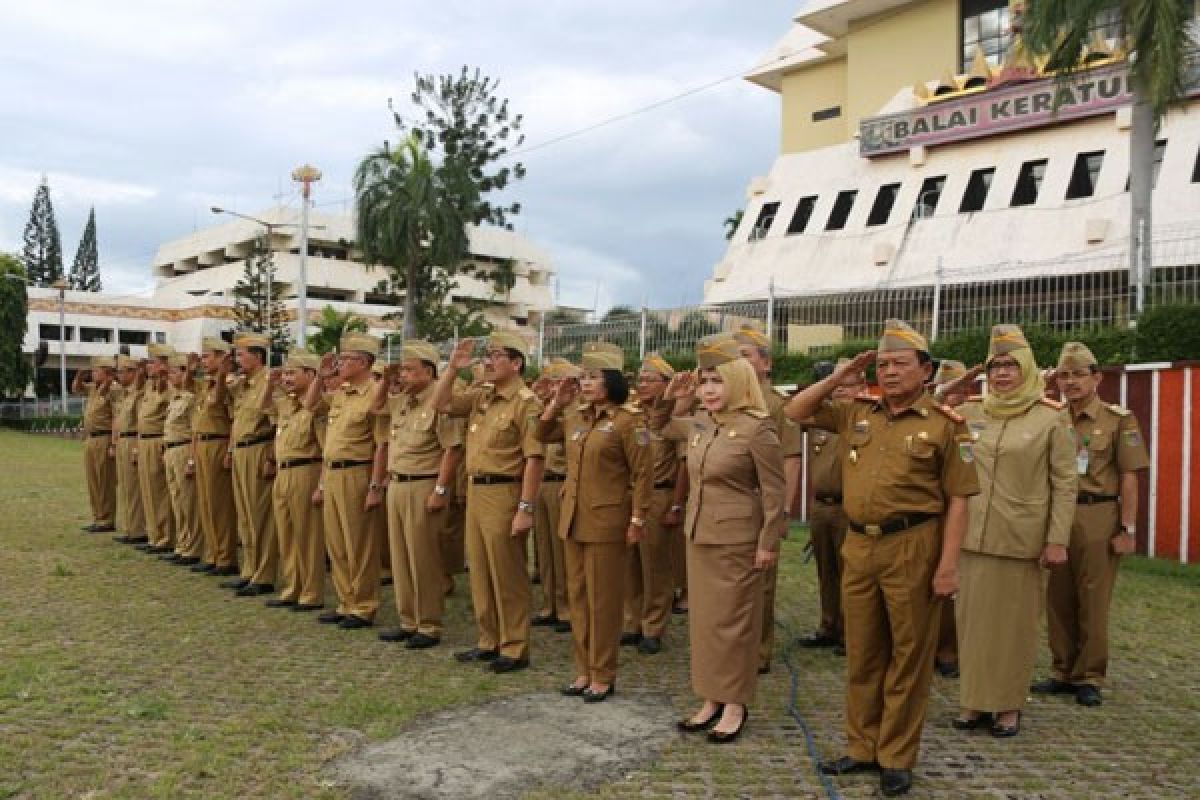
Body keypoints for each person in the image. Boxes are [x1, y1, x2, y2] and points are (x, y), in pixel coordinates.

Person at [785, 319, 979, 798]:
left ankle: (896, 756)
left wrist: (949, 566)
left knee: (909, 655)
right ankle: (861, 747)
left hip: (913, 544)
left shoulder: (946, 425)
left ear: (926, 370)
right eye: (884, 363)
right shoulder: (857, 412)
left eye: (901, 363)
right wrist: (837, 377)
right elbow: (796, 409)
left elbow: (960, 499)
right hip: (860, 544)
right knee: (863, 652)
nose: (890, 372)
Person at [658, 334, 786, 744]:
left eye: (717, 381)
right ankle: (710, 698)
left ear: (738, 380)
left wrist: (768, 542)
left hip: (739, 539)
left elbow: (774, 492)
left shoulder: (757, 428)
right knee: (706, 624)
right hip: (699, 535)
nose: (708, 390)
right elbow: (660, 428)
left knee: (735, 625)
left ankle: (735, 704)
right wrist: (671, 396)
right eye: (703, 381)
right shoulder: (700, 422)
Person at [953, 325, 1075, 737]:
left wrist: (1057, 539)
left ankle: (1007, 706)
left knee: (1014, 628)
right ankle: (972, 701)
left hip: (1021, 539)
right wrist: (951, 386)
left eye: (1010, 365)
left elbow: (1065, 481)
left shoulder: (1050, 417)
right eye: (995, 365)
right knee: (971, 625)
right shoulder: (971, 412)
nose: (1002, 373)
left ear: (1027, 369)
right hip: (971, 536)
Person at [1033, 341, 1149, 707]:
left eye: (1079, 374)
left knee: (1093, 597)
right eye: (1064, 375)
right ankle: (1061, 670)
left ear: (1096, 378)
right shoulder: (1051, 416)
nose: (1071, 382)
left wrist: (1127, 529)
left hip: (1098, 514)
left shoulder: (1118, 419)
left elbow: (1130, 476)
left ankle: (1090, 675)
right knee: (1058, 596)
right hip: (1057, 515)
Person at [536, 342, 652, 702]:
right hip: (573, 519)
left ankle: (603, 673)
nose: (586, 383)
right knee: (579, 598)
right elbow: (540, 435)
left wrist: (637, 518)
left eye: (594, 377)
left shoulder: (628, 422)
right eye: (583, 377)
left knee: (603, 601)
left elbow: (642, 474)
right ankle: (583, 669)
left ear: (613, 381)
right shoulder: (576, 416)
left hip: (606, 522)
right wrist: (556, 401)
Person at [434, 332, 545, 674]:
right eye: (489, 354)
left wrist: (525, 508)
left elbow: (534, 459)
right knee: (480, 569)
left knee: (506, 571)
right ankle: (488, 639)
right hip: (477, 491)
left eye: (497, 355)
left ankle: (514, 645)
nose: (488, 360)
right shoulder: (481, 396)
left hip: (505, 492)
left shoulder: (526, 403)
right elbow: (440, 404)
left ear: (516, 363)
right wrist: (453, 369)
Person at [373, 340, 464, 648]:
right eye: (402, 370)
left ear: (428, 372)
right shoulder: (401, 401)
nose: (404, 376)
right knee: (400, 557)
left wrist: (440, 489)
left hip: (424, 484)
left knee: (423, 557)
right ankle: (408, 619)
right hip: (397, 484)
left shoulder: (439, 402)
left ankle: (428, 624)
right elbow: (374, 408)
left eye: (409, 370)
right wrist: (386, 381)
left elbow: (452, 450)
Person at [733, 326, 802, 674]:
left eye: (745, 356)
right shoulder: (727, 398)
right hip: (730, 504)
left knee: (762, 583)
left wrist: (783, 511)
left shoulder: (777, 404)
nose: (739, 363)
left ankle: (758, 651)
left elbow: (790, 459)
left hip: (764, 501)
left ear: (765, 363)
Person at [308, 333, 385, 630]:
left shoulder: (375, 394)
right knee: (337, 542)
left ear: (364, 362)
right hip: (334, 471)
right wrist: (321, 375)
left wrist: (376, 485)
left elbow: (381, 445)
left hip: (358, 472)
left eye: (347, 359)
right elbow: (311, 405)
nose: (340, 363)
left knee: (359, 544)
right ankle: (346, 601)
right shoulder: (341, 392)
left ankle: (364, 605)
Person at [797, 357, 865, 654]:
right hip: (821, 507)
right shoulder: (824, 419)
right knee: (826, 571)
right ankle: (828, 625)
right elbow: (796, 409)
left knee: (850, 573)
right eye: (836, 385)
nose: (840, 391)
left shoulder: (867, 418)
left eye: (847, 384)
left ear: (861, 386)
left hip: (849, 507)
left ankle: (851, 633)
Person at [620, 352, 678, 655]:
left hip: (659, 494)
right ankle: (632, 621)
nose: (642, 384)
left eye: (649, 380)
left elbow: (681, 465)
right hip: (629, 494)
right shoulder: (631, 413)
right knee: (629, 563)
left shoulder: (672, 415)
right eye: (639, 379)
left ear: (666, 385)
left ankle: (654, 625)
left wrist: (676, 505)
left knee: (655, 564)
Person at [216, 333, 279, 596]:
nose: (237, 360)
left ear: (258, 356)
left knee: (259, 515)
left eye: (241, 355)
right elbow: (231, 414)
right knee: (244, 514)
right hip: (241, 450)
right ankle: (250, 570)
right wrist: (230, 449)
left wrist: (272, 458)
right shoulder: (243, 384)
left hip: (259, 448)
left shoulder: (271, 382)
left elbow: (278, 424)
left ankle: (263, 575)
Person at [265, 349, 327, 612]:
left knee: (308, 535)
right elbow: (263, 406)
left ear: (311, 375)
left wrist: (321, 485)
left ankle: (311, 592)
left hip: (306, 471)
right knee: (287, 533)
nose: (287, 378)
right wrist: (271, 382)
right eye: (286, 373)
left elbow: (326, 450)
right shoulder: (285, 405)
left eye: (293, 373)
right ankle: (292, 587)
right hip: (283, 472)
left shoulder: (318, 406)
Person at [930, 358, 971, 678]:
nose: (954, 395)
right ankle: (933, 646)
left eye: (961, 388)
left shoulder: (975, 416)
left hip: (962, 509)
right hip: (931, 511)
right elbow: (940, 396)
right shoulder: (933, 414)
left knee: (956, 586)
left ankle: (951, 650)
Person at [531, 358, 577, 634]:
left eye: (559, 380)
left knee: (562, 553)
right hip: (543, 483)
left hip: (562, 483)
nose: (552, 386)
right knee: (544, 550)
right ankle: (549, 605)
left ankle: (567, 608)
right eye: (551, 380)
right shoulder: (546, 408)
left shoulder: (576, 412)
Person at [191, 337, 239, 578]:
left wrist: (222, 374)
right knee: (206, 502)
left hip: (218, 443)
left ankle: (225, 556)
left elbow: (229, 415)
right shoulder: (206, 384)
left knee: (219, 504)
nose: (202, 360)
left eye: (207, 356)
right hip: (202, 443)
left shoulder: (229, 383)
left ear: (221, 358)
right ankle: (213, 553)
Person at [161, 353, 203, 566]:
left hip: (184, 449)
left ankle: (194, 547)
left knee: (188, 501)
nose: (170, 376)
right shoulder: (175, 397)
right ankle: (183, 544)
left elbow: (195, 431)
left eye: (174, 372)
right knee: (177, 499)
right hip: (170, 449)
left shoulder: (190, 398)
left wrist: (192, 460)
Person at [136, 344, 177, 555]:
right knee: (148, 491)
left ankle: (165, 537)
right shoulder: (150, 386)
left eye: (153, 362)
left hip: (157, 440)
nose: (148, 366)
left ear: (163, 365)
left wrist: (164, 378)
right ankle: (154, 535)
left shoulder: (169, 387)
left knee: (160, 492)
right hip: (143, 441)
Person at [73, 356, 119, 534]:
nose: (93, 374)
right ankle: (97, 516)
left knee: (105, 480)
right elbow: (76, 389)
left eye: (96, 370)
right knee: (93, 480)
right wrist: (79, 377)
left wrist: (114, 444)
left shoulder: (113, 390)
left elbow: (116, 418)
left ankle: (107, 519)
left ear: (107, 373)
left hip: (104, 438)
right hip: (90, 439)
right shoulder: (94, 389)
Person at [111, 355, 147, 545]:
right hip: (122, 440)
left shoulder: (139, 392)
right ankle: (129, 527)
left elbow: (140, 421)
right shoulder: (124, 394)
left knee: (134, 487)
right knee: (125, 486)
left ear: (133, 373)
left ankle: (138, 529)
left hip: (133, 439)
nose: (118, 376)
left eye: (121, 372)